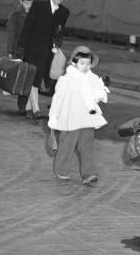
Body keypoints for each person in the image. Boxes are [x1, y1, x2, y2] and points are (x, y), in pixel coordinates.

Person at [47, 45, 110, 185]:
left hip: (87, 117)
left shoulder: (93, 78)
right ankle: (62, 169)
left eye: (88, 63)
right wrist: (53, 117)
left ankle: (88, 173)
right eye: (82, 63)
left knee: (87, 146)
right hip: (70, 118)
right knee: (67, 144)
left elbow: (97, 94)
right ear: (74, 63)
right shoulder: (65, 80)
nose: (86, 66)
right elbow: (57, 100)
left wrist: (100, 92)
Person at [17, 0, 70, 121]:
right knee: (32, 77)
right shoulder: (38, 6)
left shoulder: (64, 12)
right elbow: (27, 26)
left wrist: (57, 44)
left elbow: (60, 32)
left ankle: (29, 108)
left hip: (47, 50)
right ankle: (35, 109)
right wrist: (21, 47)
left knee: (38, 77)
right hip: (32, 47)